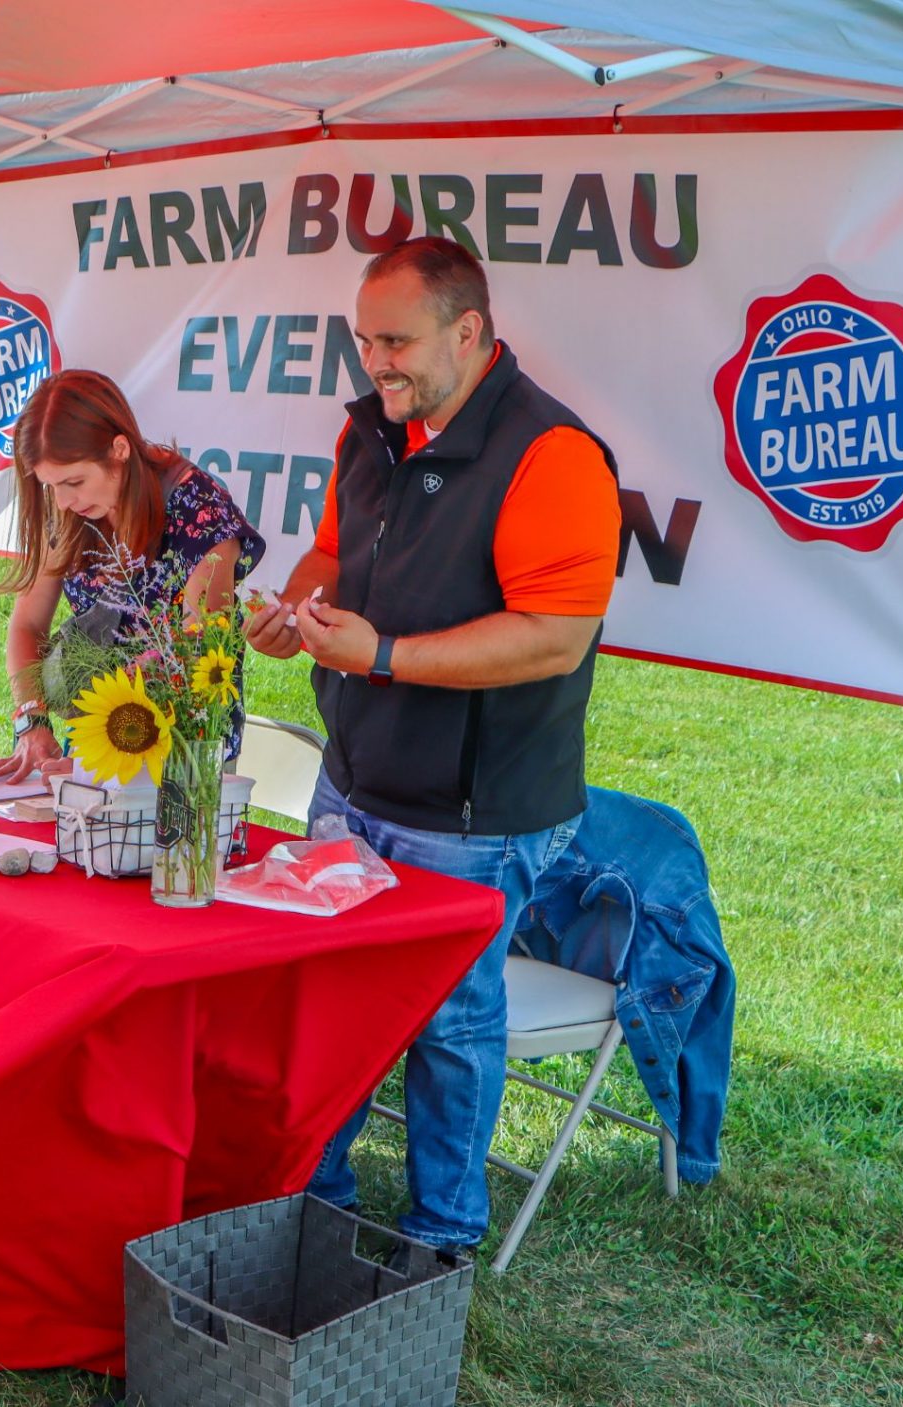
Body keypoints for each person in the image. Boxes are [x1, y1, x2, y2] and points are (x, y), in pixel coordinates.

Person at [247, 237, 621, 1253]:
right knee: (328, 1006)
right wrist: (297, 608)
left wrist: (384, 655)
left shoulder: (554, 454)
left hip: (476, 809)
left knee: (449, 1028)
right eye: (365, 340)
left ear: (469, 331)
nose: (378, 363)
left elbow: (555, 638)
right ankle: (312, 1207)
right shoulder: (367, 432)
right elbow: (332, 550)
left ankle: (441, 1236)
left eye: (398, 341)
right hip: (354, 776)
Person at [0, 368, 263, 781]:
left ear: (118, 449)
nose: (62, 500)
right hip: (101, 738)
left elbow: (199, 648)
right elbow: (27, 624)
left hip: (186, 749)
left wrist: (104, 764)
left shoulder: (197, 506)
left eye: (74, 481)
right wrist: (33, 720)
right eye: (50, 486)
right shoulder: (70, 510)